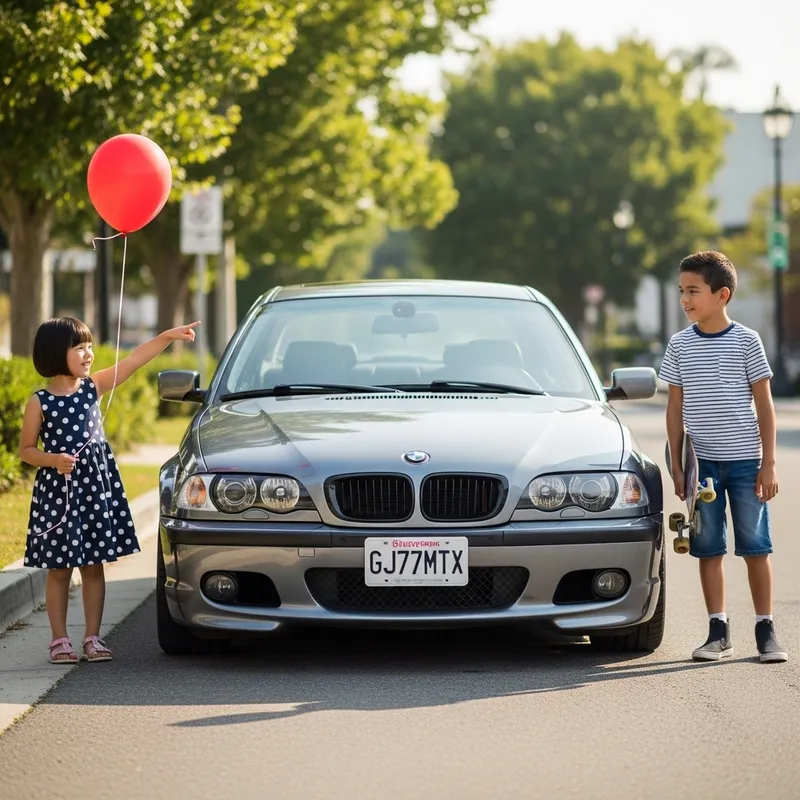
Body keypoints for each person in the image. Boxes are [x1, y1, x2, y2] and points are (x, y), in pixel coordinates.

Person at [18, 317, 200, 664]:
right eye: (79, 348)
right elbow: (26, 450)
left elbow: (133, 361)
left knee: (92, 565)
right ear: (56, 353)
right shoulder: (39, 401)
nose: (88, 354)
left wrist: (165, 336)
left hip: (94, 489)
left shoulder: (93, 387)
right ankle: (59, 640)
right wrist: (52, 460)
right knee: (59, 570)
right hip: (59, 493)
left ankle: (92, 637)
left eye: (89, 346)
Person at [658, 250, 787, 663]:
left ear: (722, 294)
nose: (685, 299)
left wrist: (768, 463)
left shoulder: (747, 341)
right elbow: (674, 410)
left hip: (748, 463)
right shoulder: (679, 346)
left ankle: (765, 630)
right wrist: (677, 467)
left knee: (755, 547)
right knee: (708, 547)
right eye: (682, 291)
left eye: (693, 291)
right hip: (704, 466)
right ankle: (718, 630)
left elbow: (765, 406)